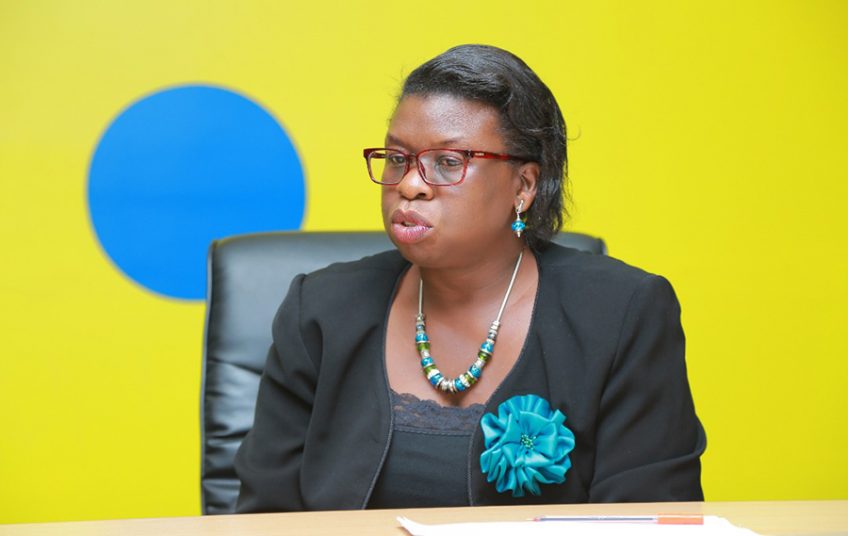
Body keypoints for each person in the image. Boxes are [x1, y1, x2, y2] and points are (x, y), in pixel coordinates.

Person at [234, 44, 706, 512]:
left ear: (524, 186)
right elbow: (265, 518)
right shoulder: (320, 310)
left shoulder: (622, 314)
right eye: (396, 158)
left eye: (448, 162)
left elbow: (651, 517)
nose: (409, 184)